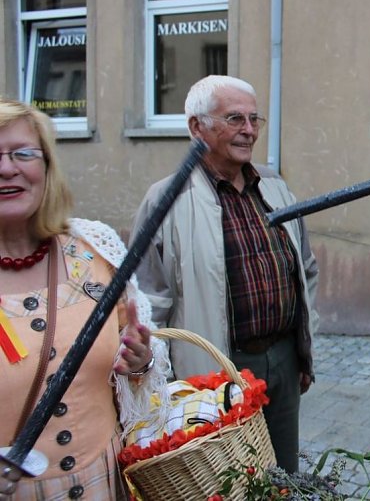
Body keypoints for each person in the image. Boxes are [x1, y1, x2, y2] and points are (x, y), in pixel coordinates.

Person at [131, 75, 319, 473]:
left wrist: (303, 350)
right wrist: (165, 383)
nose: (249, 131)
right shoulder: (166, 199)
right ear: (197, 127)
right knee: (225, 479)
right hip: (215, 368)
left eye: (254, 119)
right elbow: (150, 302)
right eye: (235, 118)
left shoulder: (274, 186)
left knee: (282, 475)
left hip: (283, 360)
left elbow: (305, 269)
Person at [0, 98, 169, 500]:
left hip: (107, 485)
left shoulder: (94, 248)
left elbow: (143, 367)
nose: (7, 168)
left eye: (22, 153)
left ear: (46, 166)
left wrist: (141, 361)